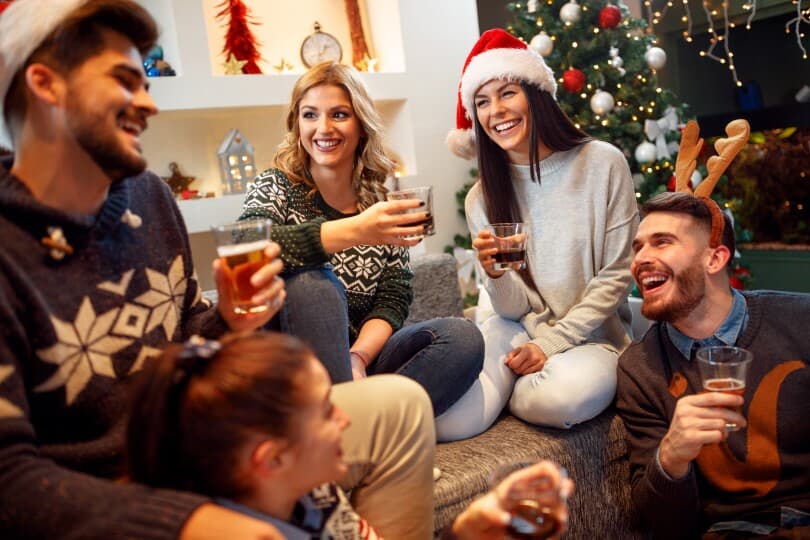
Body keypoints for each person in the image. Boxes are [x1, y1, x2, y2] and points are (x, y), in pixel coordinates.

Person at [0, 1, 435, 538]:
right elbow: (8, 477)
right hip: (112, 491)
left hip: (203, 444)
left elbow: (190, 342)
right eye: (124, 81)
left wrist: (227, 320)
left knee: (401, 405)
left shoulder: (150, 198)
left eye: (145, 82)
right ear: (46, 84)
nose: (148, 103)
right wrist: (188, 521)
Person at [128, 330, 574, 539]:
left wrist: (468, 530)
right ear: (272, 459)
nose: (345, 419)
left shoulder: (318, 502)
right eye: (325, 412)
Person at [239, 61, 484, 426]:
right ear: (297, 124)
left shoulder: (379, 202)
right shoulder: (276, 185)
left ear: (360, 125)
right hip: (292, 367)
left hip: (361, 361)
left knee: (462, 338)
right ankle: (349, 431)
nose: (323, 128)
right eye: (310, 115)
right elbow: (247, 246)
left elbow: (393, 298)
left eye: (339, 114)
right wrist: (358, 230)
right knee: (311, 282)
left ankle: (362, 430)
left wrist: (356, 358)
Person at [439, 28, 638, 440]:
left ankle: (509, 391)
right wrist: (493, 276)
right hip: (513, 327)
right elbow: (513, 309)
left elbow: (617, 275)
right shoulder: (482, 197)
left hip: (592, 337)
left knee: (559, 400)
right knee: (452, 422)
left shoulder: (602, 164)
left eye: (507, 93)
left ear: (536, 94)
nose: (495, 111)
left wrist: (549, 345)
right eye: (481, 102)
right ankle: (506, 386)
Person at [616, 191, 810, 539]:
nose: (641, 258)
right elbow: (662, 526)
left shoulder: (800, 320)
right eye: (638, 247)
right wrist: (671, 457)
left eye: (662, 242)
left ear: (715, 258)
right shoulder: (640, 368)